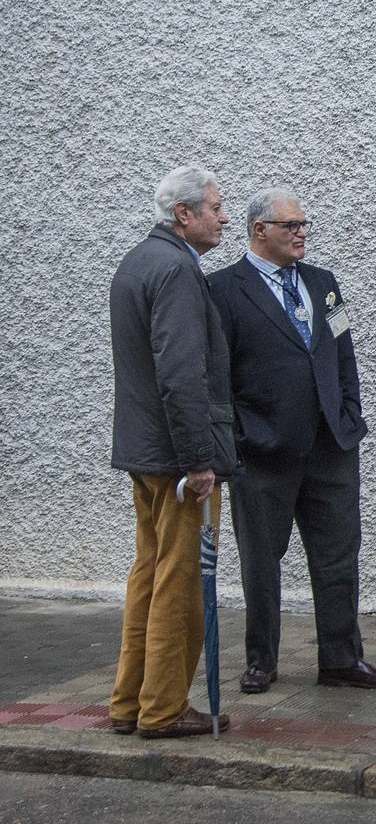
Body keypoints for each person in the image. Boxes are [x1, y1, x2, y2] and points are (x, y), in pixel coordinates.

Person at [207, 187, 376, 694]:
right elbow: (215, 377)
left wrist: (350, 412)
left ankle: (340, 658)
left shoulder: (323, 283)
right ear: (259, 230)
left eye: (303, 224)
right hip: (263, 451)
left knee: (338, 555)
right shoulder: (223, 290)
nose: (301, 233)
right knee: (261, 561)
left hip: (330, 447)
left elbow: (342, 355)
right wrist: (236, 438)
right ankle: (261, 661)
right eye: (290, 226)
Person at [108, 164, 236, 739]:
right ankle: (163, 708)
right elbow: (181, 374)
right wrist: (199, 460)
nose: (224, 217)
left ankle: (130, 702)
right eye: (214, 207)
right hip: (176, 458)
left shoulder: (138, 261)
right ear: (184, 214)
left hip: (145, 451)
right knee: (179, 582)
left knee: (149, 575)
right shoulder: (178, 271)